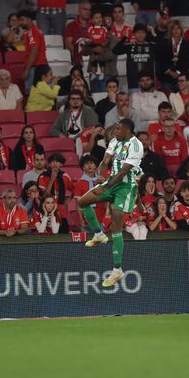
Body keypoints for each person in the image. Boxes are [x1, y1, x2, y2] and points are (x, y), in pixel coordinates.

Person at [79, 119, 144, 288]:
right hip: (110, 182)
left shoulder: (136, 146)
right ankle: (98, 234)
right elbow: (105, 160)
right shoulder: (115, 140)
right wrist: (101, 175)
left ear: (127, 130)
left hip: (125, 187)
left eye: (118, 128)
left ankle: (117, 270)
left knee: (116, 225)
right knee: (82, 201)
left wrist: (105, 187)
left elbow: (123, 172)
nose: (115, 130)